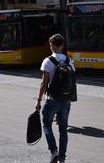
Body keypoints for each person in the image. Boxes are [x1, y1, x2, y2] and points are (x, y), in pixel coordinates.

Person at [36, 34, 75, 163]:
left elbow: (43, 83)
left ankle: (54, 151)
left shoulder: (48, 61)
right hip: (66, 101)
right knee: (63, 129)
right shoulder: (69, 61)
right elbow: (73, 81)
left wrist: (38, 100)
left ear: (51, 45)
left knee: (47, 125)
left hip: (52, 99)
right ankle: (62, 159)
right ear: (63, 46)